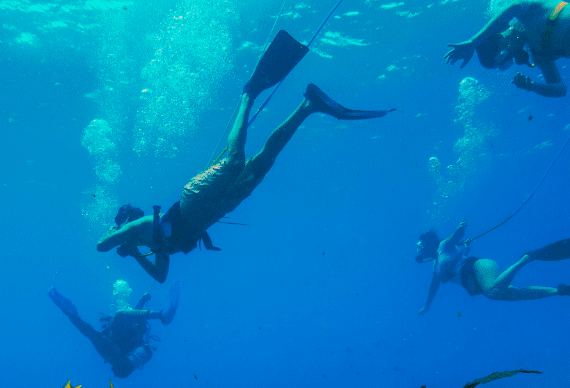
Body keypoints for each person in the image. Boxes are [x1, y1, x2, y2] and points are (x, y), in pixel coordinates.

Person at [97, 30, 394, 283]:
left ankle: (248, 94)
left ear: (127, 223)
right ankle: (309, 105)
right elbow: (161, 277)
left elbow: (101, 246)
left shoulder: (143, 226)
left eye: (124, 225)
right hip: (213, 212)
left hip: (194, 202)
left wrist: (118, 235)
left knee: (235, 161)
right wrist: (135, 253)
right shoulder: (153, 246)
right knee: (263, 164)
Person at [416, 220, 570, 314]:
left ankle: (526, 258)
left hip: (478, 267)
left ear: (428, 243)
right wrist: (426, 306)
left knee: (492, 292)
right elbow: (432, 288)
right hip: (474, 283)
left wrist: (460, 227)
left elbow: (455, 237)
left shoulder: (443, 246)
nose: (419, 250)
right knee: (514, 294)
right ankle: (559, 291)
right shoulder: (435, 268)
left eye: (420, 245)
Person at [48, 282, 181, 377]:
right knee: (113, 318)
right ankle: (162, 315)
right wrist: (141, 301)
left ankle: (163, 315)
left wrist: (141, 301)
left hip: (116, 353)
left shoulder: (120, 325)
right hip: (117, 355)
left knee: (111, 319)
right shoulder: (124, 327)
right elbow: (131, 315)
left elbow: (130, 315)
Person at [445, 0, 570, 97]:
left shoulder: (528, 13)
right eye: (505, 65)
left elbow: (514, 7)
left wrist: (474, 41)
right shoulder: (539, 54)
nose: (511, 60)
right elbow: (560, 88)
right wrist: (531, 86)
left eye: (501, 58)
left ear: (499, 37)